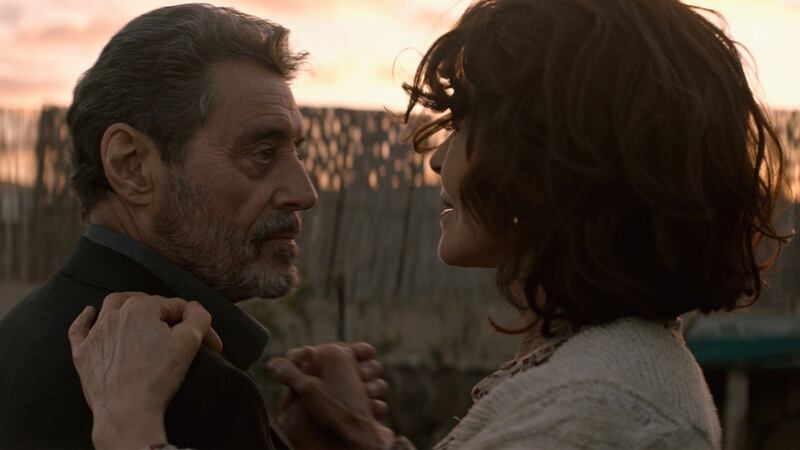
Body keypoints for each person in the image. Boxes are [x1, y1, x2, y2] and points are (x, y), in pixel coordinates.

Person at [68, 0, 791, 449]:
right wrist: (370, 443)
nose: (440, 156)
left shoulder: (606, 411)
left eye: (466, 125)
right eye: (261, 151)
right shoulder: (596, 375)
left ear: (563, 158)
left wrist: (130, 427)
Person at [0, 4, 389, 449]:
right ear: (131, 167)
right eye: (262, 153)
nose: (304, 193)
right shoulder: (195, 388)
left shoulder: (15, 337)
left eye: (296, 152)